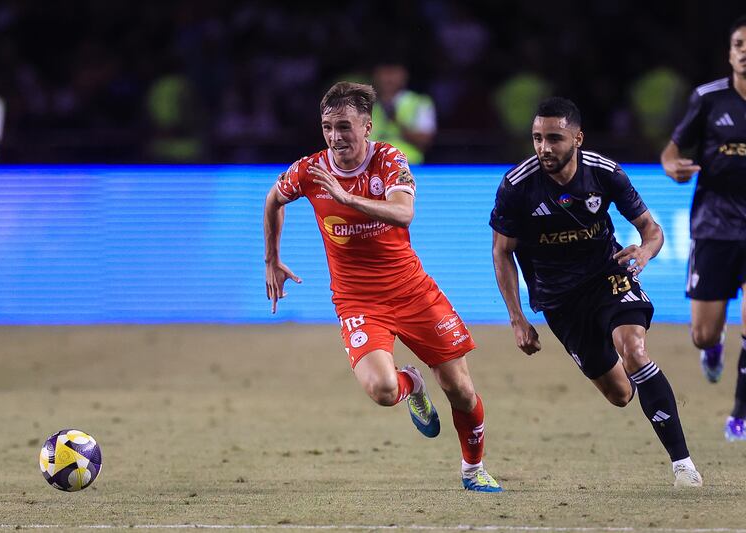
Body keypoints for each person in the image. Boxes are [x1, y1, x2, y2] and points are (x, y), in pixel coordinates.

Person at [264, 81, 502, 492]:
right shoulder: (310, 170)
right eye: (327, 127)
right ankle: (413, 384)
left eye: (344, 127)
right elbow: (273, 199)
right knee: (382, 389)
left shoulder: (391, 160)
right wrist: (272, 258)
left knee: (461, 391)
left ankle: (472, 469)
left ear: (367, 127)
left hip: (412, 291)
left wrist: (346, 197)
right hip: (357, 301)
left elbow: (404, 213)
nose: (335, 137)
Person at [490, 97, 702, 488]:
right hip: (559, 300)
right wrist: (517, 319)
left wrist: (644, 252)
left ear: (578, 137)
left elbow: (652, 232)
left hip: (608, 276)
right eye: (537, 138)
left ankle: (683, 464)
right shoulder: (517, 185)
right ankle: (645, 383)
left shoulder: (604, 173)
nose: (544, 148)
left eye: (554, 138)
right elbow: (503, 251)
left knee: (634, 349)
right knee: (621, 394)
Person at [660, 15, 746, 442]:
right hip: (714, 226)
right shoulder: (709, 100)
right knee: (701, 334)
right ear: (730, 53)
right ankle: (714, 345)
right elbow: (671, 151)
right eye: (738, 44)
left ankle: (739, 414)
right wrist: (673, 166)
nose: (744, 50)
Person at [370, 63, 436, 165]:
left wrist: (397, 122)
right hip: (372, 167)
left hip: (409, 166)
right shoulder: (364, 104)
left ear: (404, 76)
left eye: (393, 73)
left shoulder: (419, 102)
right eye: (385, 73)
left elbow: (425, 141)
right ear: (375, 76)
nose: (389, 79)